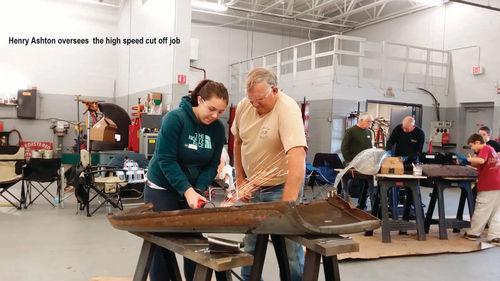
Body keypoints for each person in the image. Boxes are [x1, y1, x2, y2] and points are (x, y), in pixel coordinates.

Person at [144, 79, 228, 281]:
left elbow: (211, 165)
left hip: (192, 188)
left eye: (221, 112)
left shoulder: (217, 129)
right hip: (162, 187)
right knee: (162, 244)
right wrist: (187, 190)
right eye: (212, 109)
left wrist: (197, 190)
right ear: (200, 100)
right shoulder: (175, 119)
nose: (215, 116)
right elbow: (166, 159)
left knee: (195, 243)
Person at [231, 67, 307, 281]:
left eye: (259, 99)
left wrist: (287, 205)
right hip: (254, 186)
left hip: (281, 185)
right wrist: (240, 180)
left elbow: (297, 156)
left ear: (274, 90)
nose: (255, 105)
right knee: (250, 246)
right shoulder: (246, 106)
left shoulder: (287, 109)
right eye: (250, 99)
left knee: (289, 249)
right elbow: (238, 143)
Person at [463, 133, 500, 246]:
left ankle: (473, 233)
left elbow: (481, 161)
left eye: (472, 146)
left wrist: (470, 159)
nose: (472, 148)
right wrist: (469, 163)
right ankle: (495, 236)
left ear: (478, 142)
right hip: (497, 185)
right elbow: (482, 164)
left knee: (481, 209)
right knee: (496, 212)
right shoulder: (491, 150)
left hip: (488, 186)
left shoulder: (485, 148)